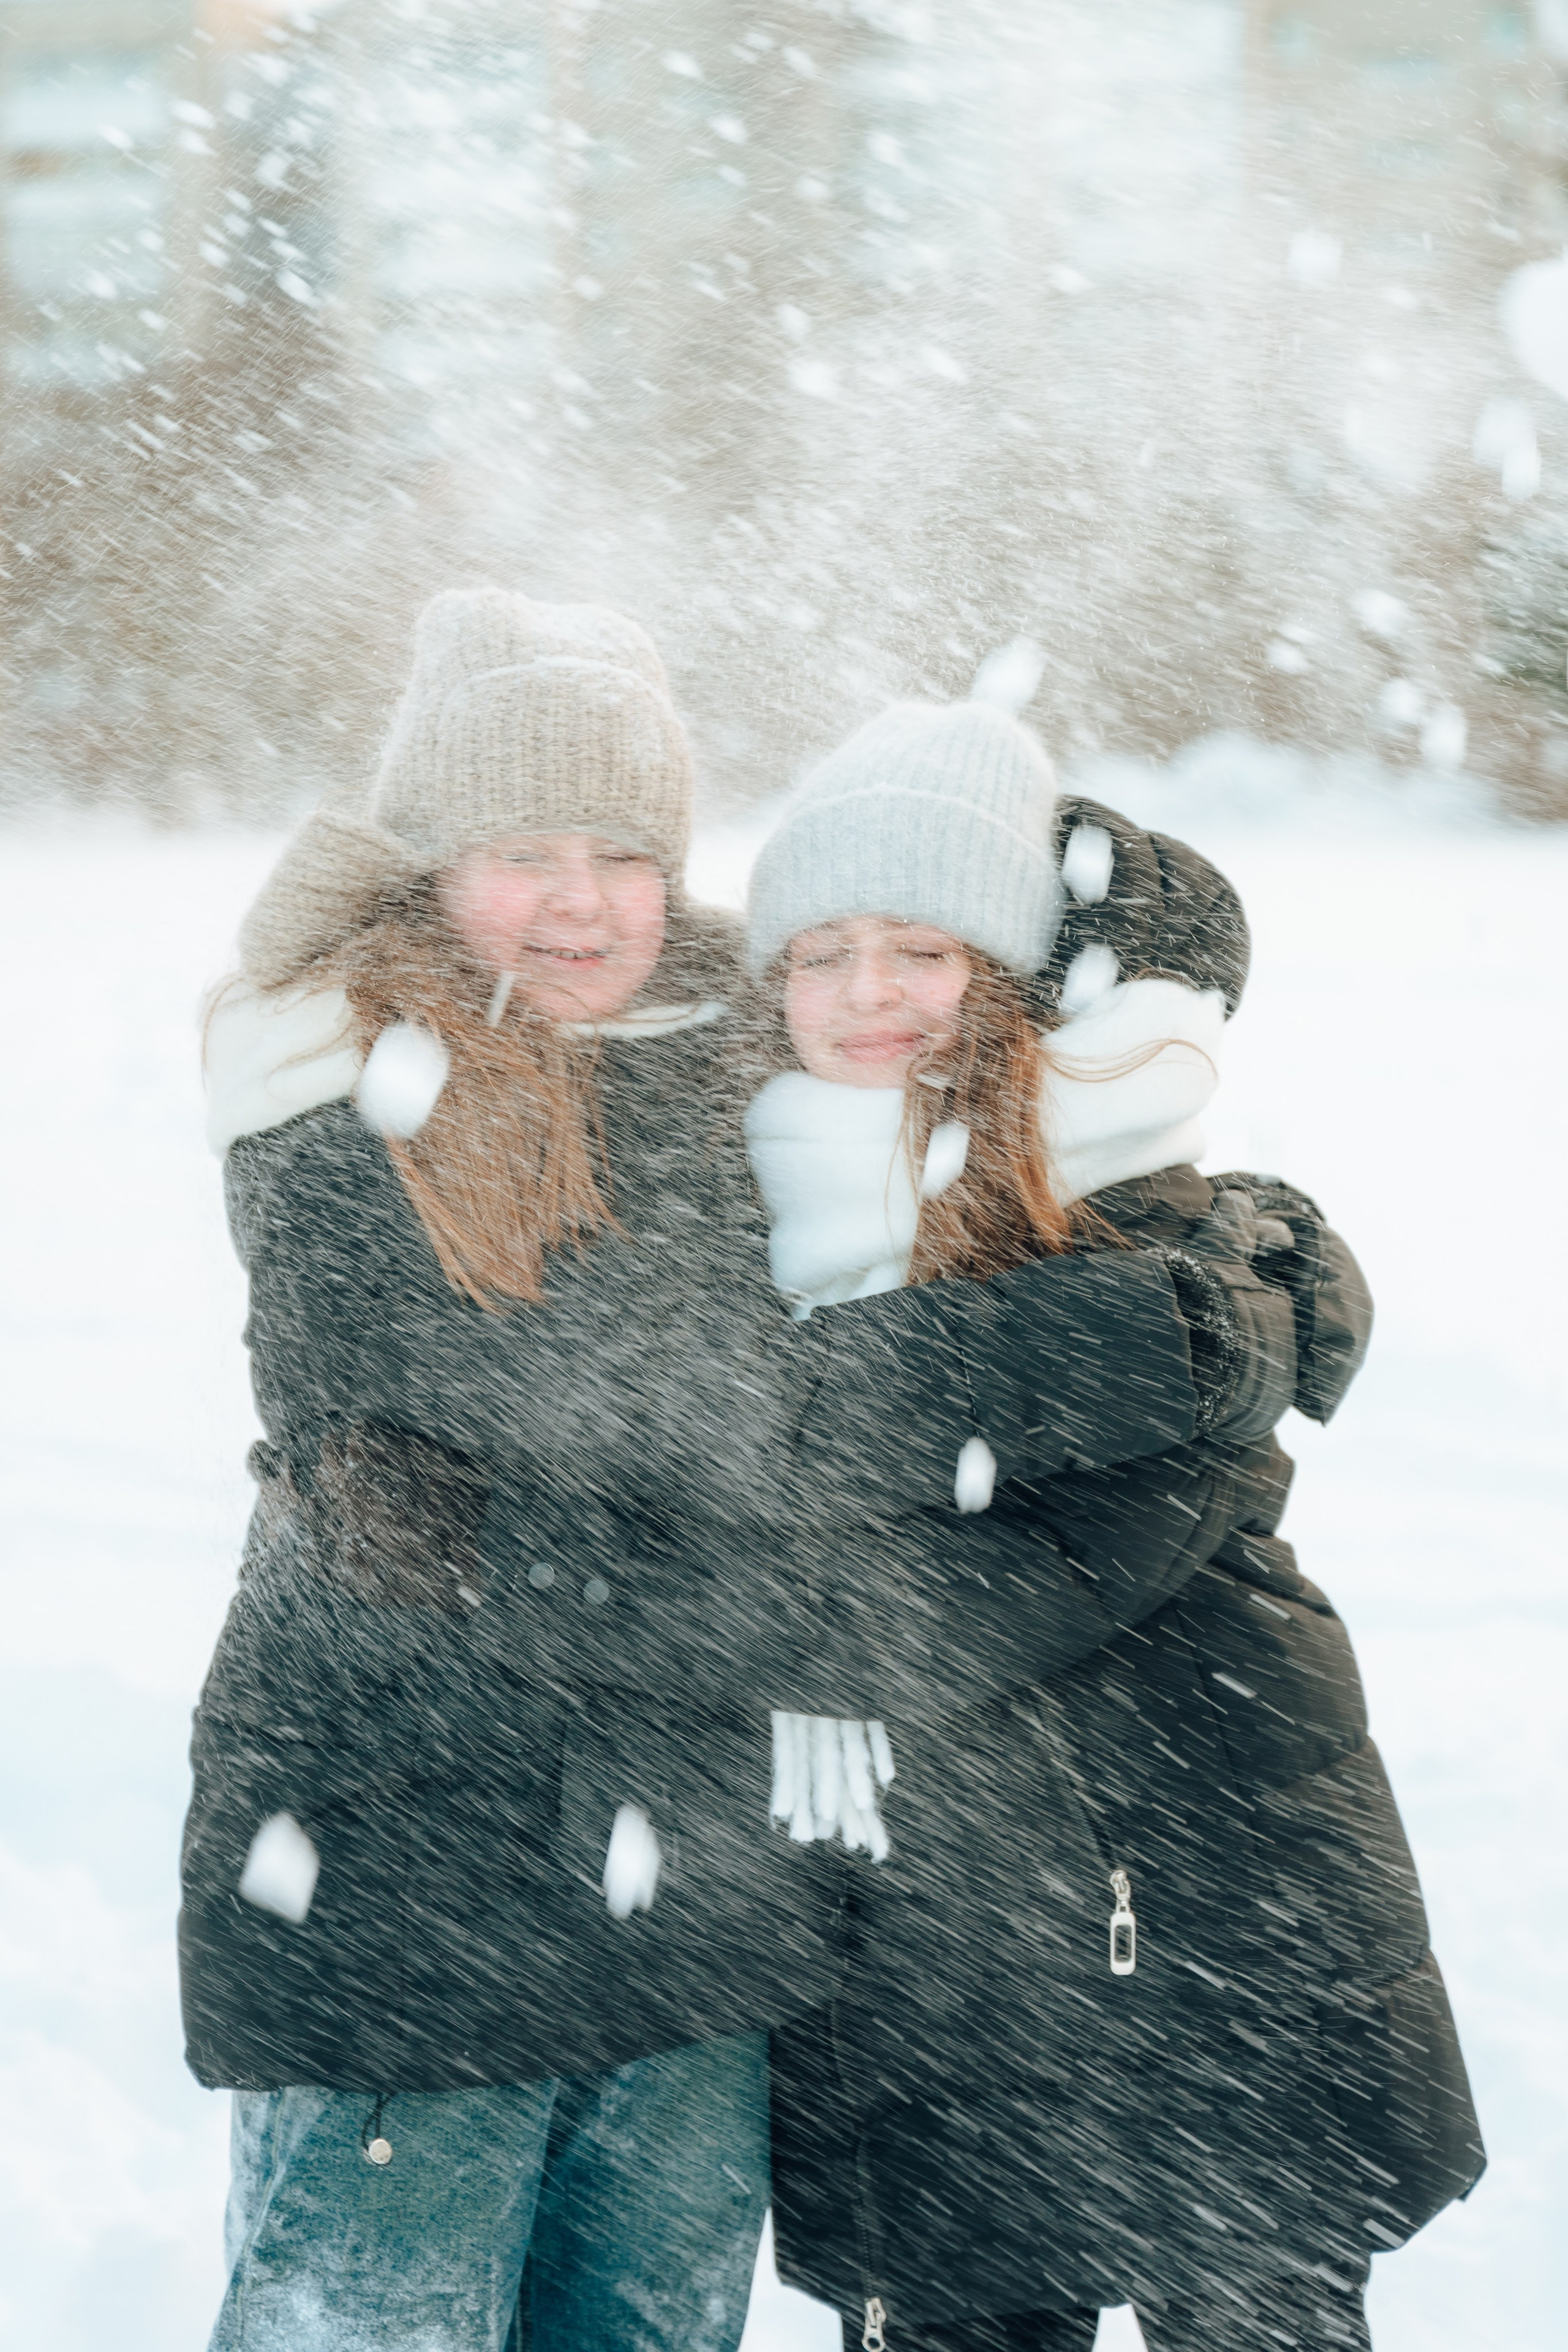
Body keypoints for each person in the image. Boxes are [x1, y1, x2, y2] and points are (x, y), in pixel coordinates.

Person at [187, 591, 1298, 2352]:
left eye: (624, 854)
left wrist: (1255, 1272)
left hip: (699, 1900)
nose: (577, 903)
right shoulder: (339, 1088)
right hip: (407, 1874)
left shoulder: (752, 1059)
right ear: (424, 869)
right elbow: (513, 1498)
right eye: (520, 852)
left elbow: (1038, 1111)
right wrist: (833, 1631)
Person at [736, 703, 1485, 2352]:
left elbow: (1027, 1554)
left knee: (1254, 2312)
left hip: (1214, 1922)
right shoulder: (763, 1227)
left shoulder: (1136, 1220)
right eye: (822, 951)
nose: (866, 992)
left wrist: (784, 1576)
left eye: (923, 948)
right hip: (932, 1970)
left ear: (1015, 982)